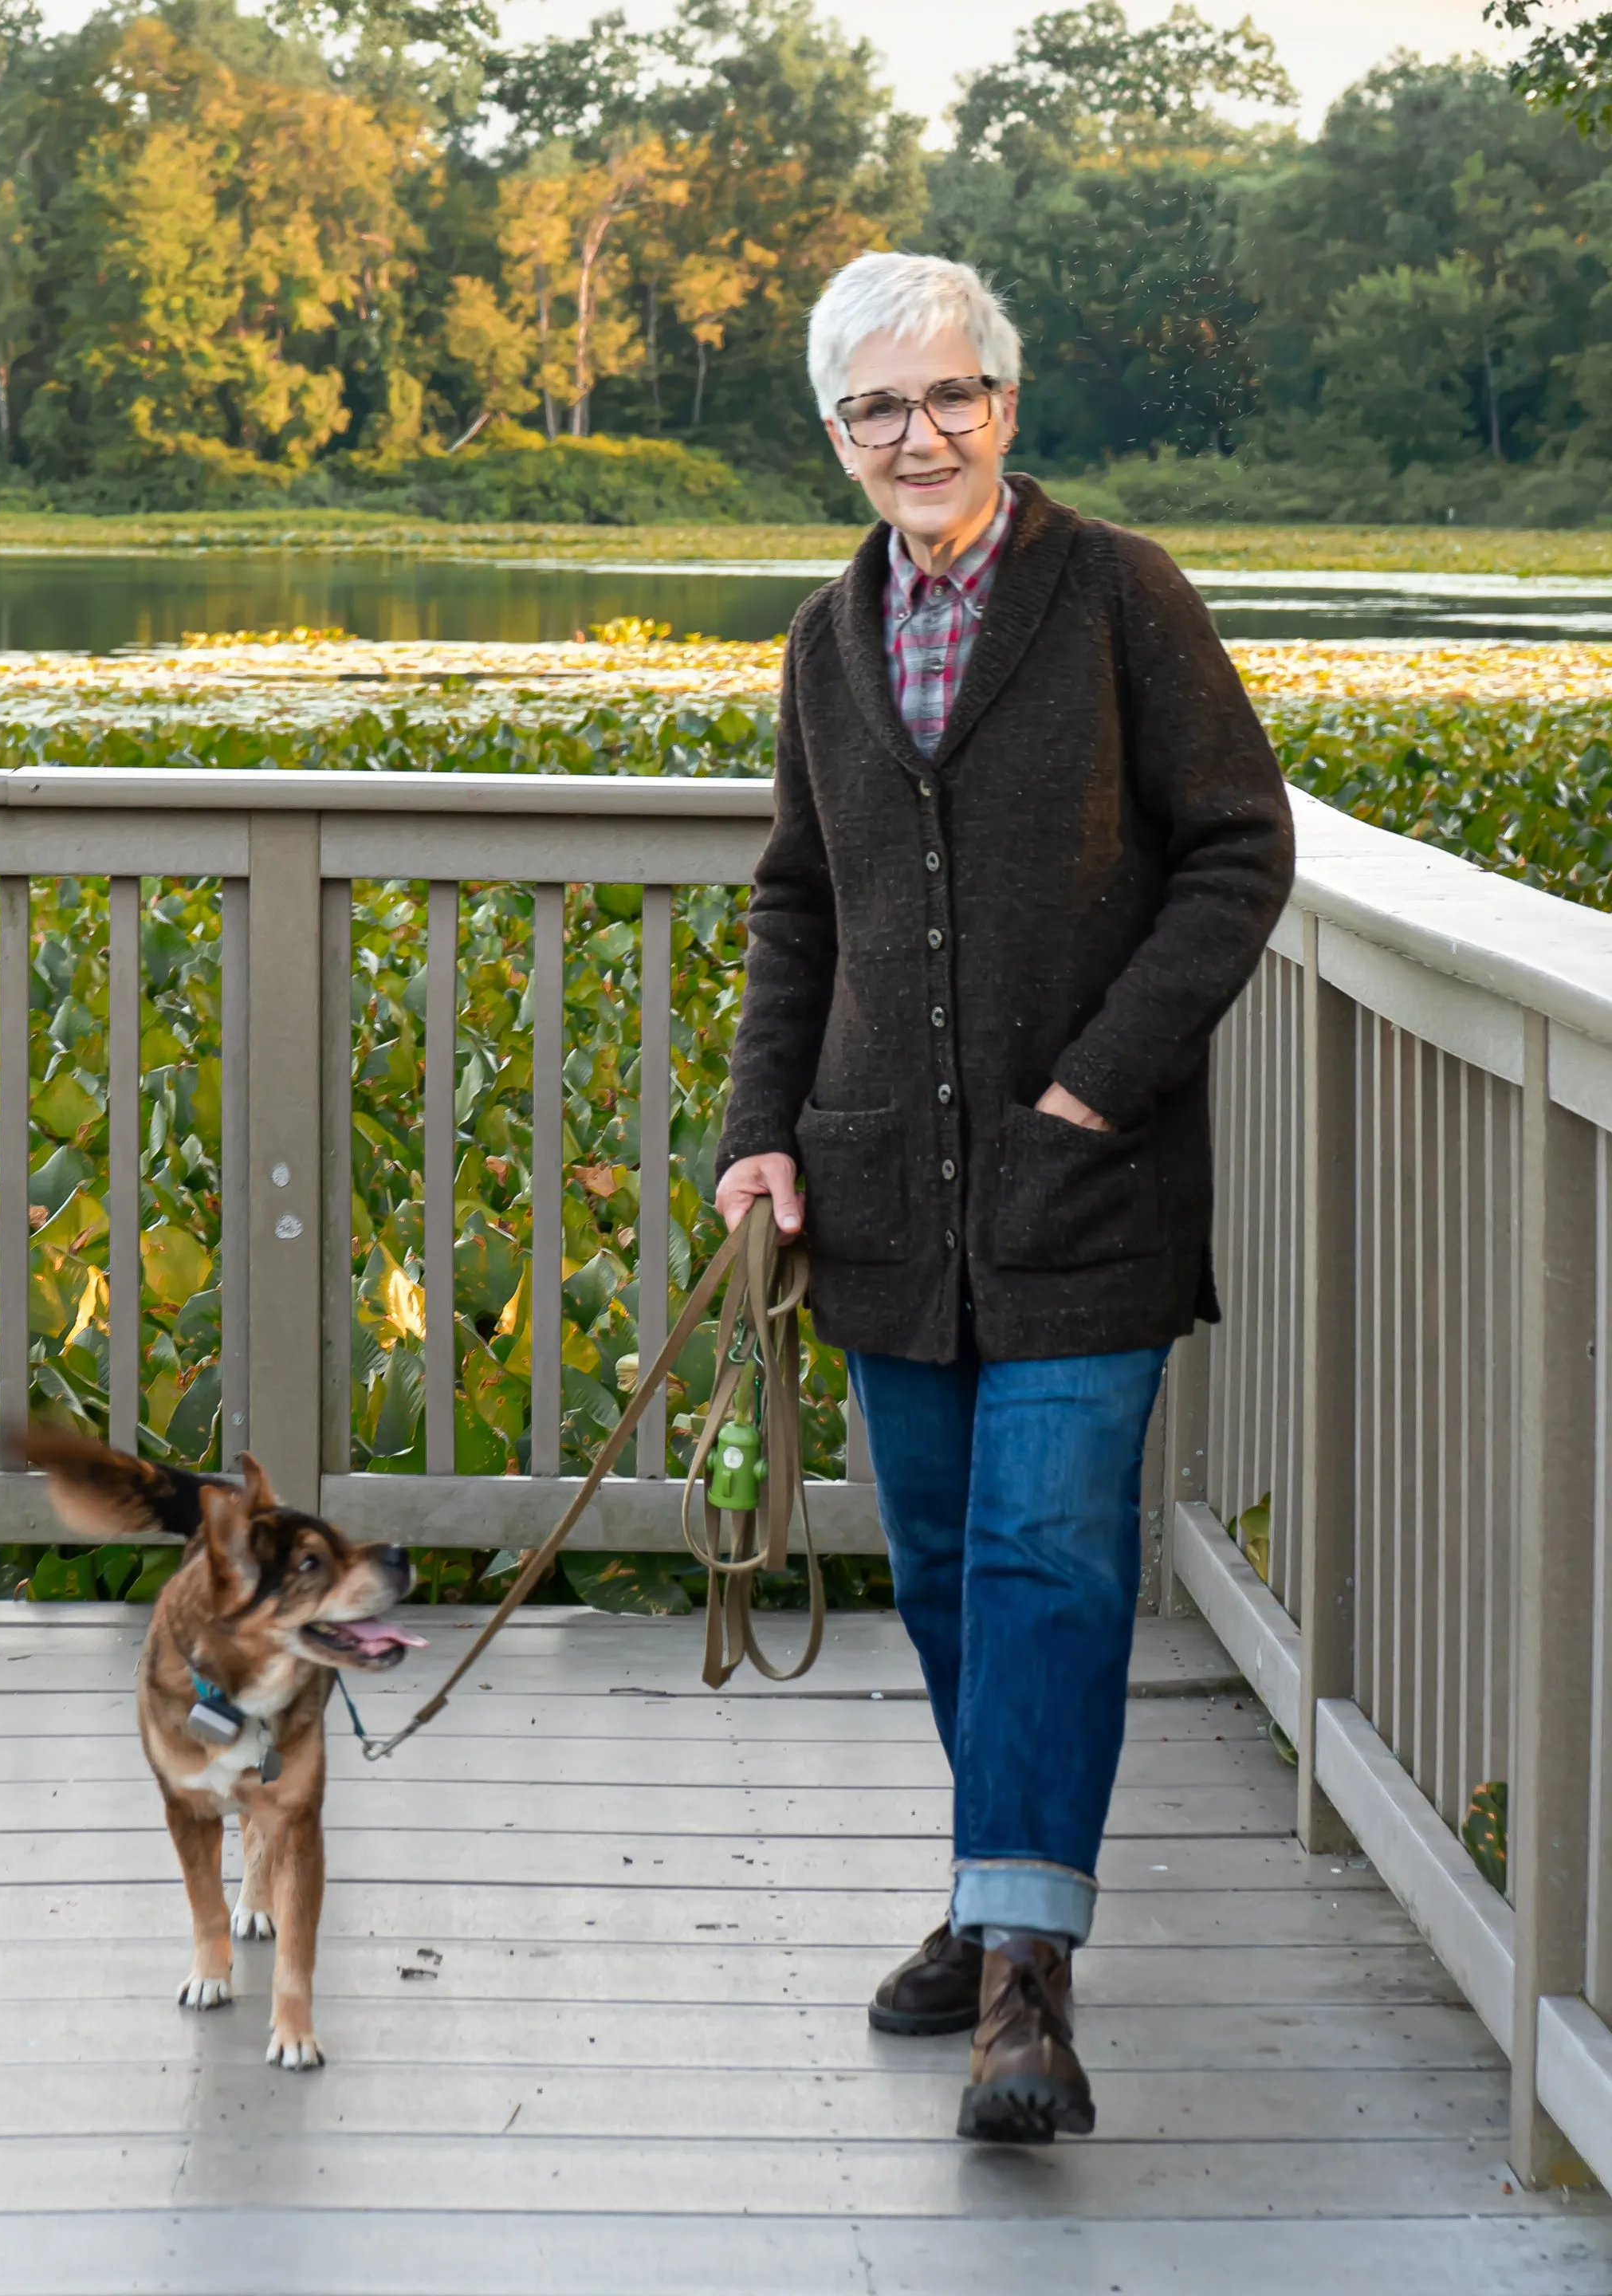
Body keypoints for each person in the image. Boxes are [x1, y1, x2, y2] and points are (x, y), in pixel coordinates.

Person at [714, 250, 1294, 2145]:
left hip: (1086, 1189)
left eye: (948, 396)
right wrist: (762, 1128)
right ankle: (996, 1895)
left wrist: (1089, 1087)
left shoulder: (1120, 593)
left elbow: (1236, 850)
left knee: (1055, 1553)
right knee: (955, 1570)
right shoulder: (829, 638)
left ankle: (1027, 1984)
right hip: (882, 1193)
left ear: (1006, 405)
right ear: (838, 439)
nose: (919, 434)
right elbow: (801, 903)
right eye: (878, 410)